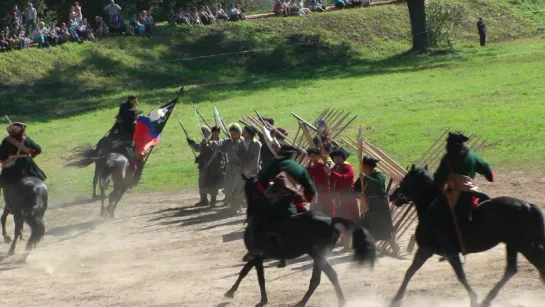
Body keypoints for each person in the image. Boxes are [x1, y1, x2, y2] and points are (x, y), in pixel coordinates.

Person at [244, 145, 316, 261]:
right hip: (292, 204)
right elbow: (311, 192)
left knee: (254, 217)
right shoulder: (300, 167)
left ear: (281, 154)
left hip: (275, 205)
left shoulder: (276, 163)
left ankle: (255, 249)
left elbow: (261, 183)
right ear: (292, 155)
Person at [430, 132, 494, 259]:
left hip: (456, 195)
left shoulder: (448, 158)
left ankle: (450, 247)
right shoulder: (472, 156)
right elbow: (489, 174)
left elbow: (438, 180)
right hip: (472, 194)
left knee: (440, 214)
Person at [355, 156, 399, 256]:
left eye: (363, 166)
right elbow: (356, 188)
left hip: (379, 205)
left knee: (384, 228)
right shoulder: (363, 176)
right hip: (367, 204)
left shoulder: (379, 175)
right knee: (365, 227)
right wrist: (359, 194)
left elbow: (378, 184)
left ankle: (395, 249)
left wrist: (366, 178)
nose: (362, 168)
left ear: (369, 167)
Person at [0, 123, 47, 190]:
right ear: (22, 130)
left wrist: (5, 161)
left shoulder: (6, 140)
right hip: (27, 165)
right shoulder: (27, 139)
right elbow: (38, 150)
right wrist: (32, 155)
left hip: (12, 167)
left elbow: (1, 157)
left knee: (4, 181)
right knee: (38, 177)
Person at [188, 126, 225, 207]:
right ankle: (204, 199)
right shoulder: (205, 141)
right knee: (202, 183)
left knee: (216, 184)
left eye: (217, 133)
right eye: (214, 133)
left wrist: (209, 144)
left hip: (218, 167)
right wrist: (193, 144)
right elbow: (199, 149)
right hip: (206, 165)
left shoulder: (222, 142)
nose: (215, 134)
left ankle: (219, 200)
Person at [327, 148, 356, 251]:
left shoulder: (348, 167)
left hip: (348, 197)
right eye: (335, 158)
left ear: (343, 158)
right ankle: (345, 243)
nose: (337, 160)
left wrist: (331, 173)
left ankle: (348, 245)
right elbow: (331, 183)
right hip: (338, 198)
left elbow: (346, 178)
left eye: (339, 158)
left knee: (348, 220)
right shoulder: (334, 168)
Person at [211, 123, 243, 207]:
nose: (232, 135)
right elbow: (220, 146)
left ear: (239, 133)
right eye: (231, 133)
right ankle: (232, 202)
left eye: (234, 133)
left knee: (239, 186)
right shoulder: (227, 142)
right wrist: (213, 143)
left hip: (240, 167)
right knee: (229, 186)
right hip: (230, 167)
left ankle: (239, 203)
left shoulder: (243, 142)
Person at [232, 125, 262, 212]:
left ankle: (255, 208)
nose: (243, 133)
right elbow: (238, 157)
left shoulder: (257, 144)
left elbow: (256, 160)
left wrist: (247, 168)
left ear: (249, 133)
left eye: (245, 131)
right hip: (242, 170)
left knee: (254, 191)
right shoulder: (241, 144)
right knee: (238, 188)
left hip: (253, 171)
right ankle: (237, 207)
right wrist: (239, 163)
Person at [110, 95, 143, 170]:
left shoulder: (123, 105)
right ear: (130, 100)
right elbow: (132, 118)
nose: (135, 102)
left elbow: (120, 115)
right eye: (134, 100)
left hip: (120, 125)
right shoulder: (132, 110)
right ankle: (133, 157)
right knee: (133, 141)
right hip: (128, 128)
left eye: (136, 100)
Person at [306, 147, 334, 215]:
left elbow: (306, 171)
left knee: (323, 208)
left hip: (323, 189)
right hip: (318, 190)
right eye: (311, 156)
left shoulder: (319, 165)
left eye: (315, 155)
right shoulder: (317, 165)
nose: (313, 157)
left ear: (319, 156)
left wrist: (310, 161)